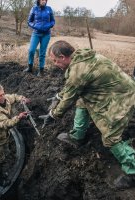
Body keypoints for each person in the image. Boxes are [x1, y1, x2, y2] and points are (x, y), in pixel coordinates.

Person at [39, 40, 135, 190]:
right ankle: (77, 136)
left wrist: (52, 114)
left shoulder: (78, 71)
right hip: (115, 90)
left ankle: (133, 171)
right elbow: (74, 87)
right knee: (82, 101)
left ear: (63, 57)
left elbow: (68, 99)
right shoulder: (81, 57)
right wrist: (58, 96)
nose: (55, 64)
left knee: (110, 137)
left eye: (55, 61)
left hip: (123, 98)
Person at [0, 84, 30, 186]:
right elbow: (6, 124)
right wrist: (19, 117)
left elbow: (13, 97)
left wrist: (22, 99)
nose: (3, 96)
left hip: (3, 135)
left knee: (5, 151)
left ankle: (5, 160)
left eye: (3, 93)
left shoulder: (3, 98)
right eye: (0, 95)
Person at [24, 0, 55, 76]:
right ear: (38, 1)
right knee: (31, 50)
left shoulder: (49, 9)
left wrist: (48, 26)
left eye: (45, 0)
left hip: (46, 34)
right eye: (42, 0)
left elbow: (53, 21)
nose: (43, 1)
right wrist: (35, 26)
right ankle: (30, 67)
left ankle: (41, 70)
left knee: (42, 53)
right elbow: (29, 21)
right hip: (36, 33)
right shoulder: (34, 9)